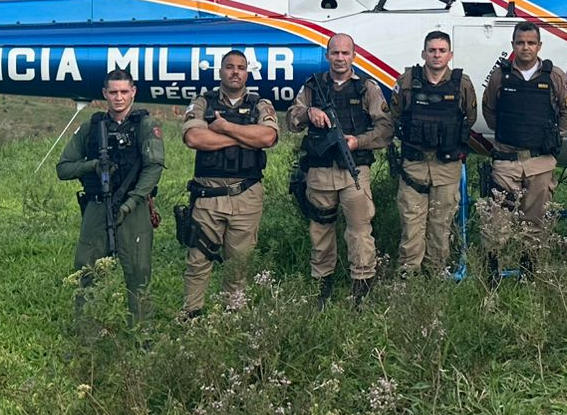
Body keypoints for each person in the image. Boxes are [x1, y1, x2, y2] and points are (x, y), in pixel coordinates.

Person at [288, 33, 393, 305]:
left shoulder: (366, 88)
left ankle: (362, 285)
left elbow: (385, 128)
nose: (340, 58)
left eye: (345, 53)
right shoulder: (312, 87)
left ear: (354, 56)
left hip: (354, 171)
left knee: (359, 231)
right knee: (320, 230)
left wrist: (359, 141)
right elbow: (291, 119)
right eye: (335, 53)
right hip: (319, 172)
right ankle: (323, 284)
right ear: (327, 56)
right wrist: (308, 112)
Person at [56, 69, 164, 325]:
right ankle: (87, 336)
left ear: (133, 92)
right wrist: (92, 165)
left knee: (138, 272)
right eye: (113, 92)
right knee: (87, 270)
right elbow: (63, 168)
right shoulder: (91, 128)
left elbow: (153, 168)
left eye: (124, 92)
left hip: (134, 208)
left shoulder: (145, 126)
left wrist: (131, 202)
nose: (118, 98)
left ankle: (141, 335)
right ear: (105, 94)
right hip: (96, 206)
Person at [179, 50, 279, 317]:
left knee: (239, 266)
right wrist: (246, 137)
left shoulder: (260, 104)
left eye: (241, 67)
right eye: (229, 67)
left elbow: (268, 137)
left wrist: (225, 128)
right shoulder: (203, 102)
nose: (235, 72)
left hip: (245, 195)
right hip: (208, 194)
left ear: (247, 73)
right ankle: (192, 317)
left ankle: (232, 319)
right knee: (198, 261)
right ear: (220, 71)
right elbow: (194, 139)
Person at [479, 21, 567, 279]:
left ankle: (528, 273)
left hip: (540, 162)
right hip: (506, 161)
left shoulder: (554, 75)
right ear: (513, 45)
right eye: (520, 42)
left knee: (534, 222)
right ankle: (492, 273)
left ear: (539, 46)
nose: (525, 47)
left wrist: (553, 136)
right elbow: (489, 110)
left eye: (531, 43)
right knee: (498, 221)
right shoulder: (500, 75)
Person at [387, 31, 479, 277]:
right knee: (411, 224)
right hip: (414, 165)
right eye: (432, 50)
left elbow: (470, 118)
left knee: (441, 224)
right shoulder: (407, 81)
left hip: (446, 166)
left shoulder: (462, 84)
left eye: (441, 50)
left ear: (450, 55)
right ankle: (408, 275)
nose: (437, 55)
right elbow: (395, 115)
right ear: (423, 53)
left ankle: (436, 274)